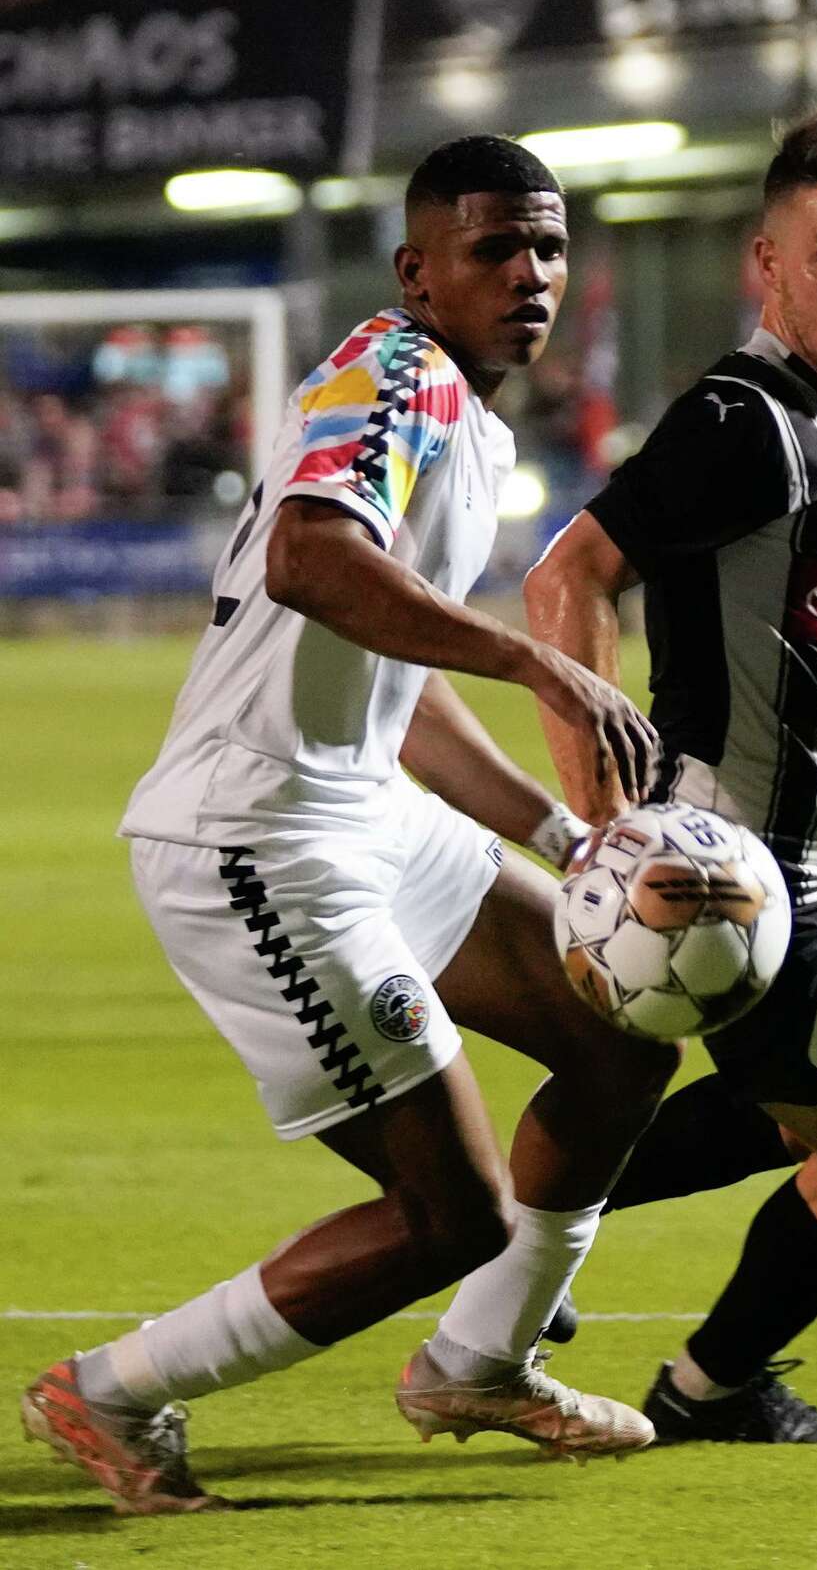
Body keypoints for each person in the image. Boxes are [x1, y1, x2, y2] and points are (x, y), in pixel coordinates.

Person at [20, 134, 679, 1516]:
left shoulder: (466, 416)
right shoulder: (390, 373)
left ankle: (481, 1363)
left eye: (549, 247)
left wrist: (569, 843)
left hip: (361, 809)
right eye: (497, 247)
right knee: (452, 1215)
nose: (532, 274)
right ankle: (113, 1389)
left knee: (617, 1031)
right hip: (257, 840)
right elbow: (310, 559)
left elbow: (399, 684)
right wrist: (541, 661)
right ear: (417, 270)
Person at [524, 111, 817, 1445]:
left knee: (815, 1126)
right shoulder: (742, 419)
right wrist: (607, 824)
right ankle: (701, 1376)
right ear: (770, 263)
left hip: (804, 853)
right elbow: (567, 578)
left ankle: (520, 1228)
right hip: (736, 869)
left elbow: (803, 645)